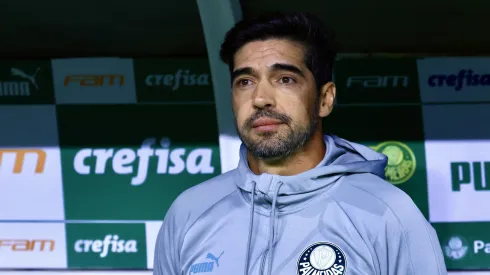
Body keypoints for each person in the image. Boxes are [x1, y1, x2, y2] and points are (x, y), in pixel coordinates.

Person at [153, 11, 447, 275]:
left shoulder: (389, 213)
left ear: (324, 99)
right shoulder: (190, 212)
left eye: (285, 79)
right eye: (245, 81)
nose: (260, 99)